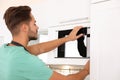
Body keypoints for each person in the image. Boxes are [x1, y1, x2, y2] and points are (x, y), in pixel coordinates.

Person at [0, 6, 89, 80]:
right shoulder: (28, 61)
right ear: (24, 28)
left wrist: (67, 38)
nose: (37, 27)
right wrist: (86, 70)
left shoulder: (4, 50)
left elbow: (39, 48)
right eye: (34, 24)